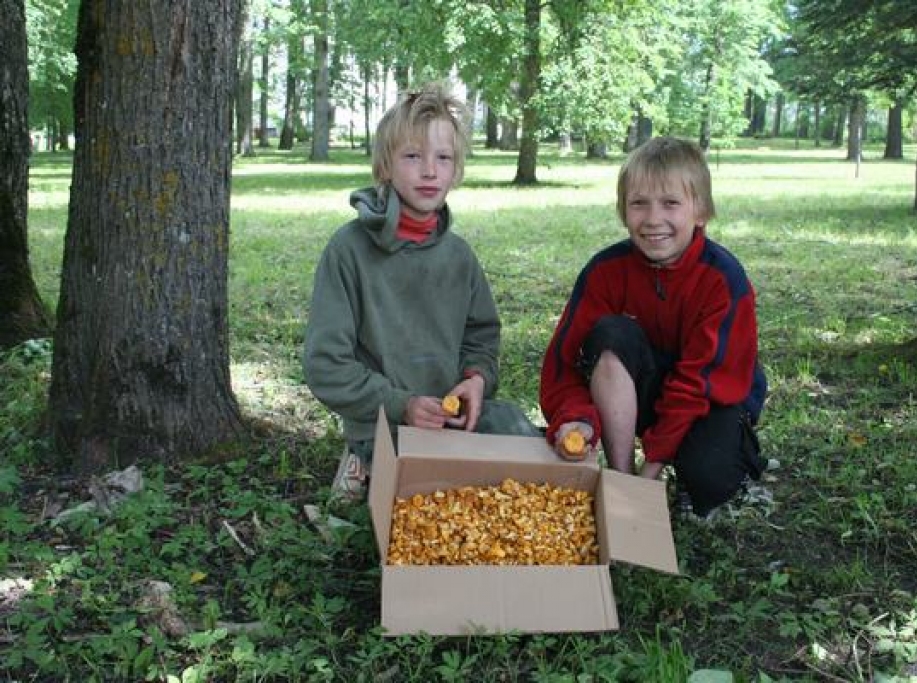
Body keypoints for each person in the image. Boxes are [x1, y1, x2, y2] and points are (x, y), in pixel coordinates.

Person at [303, 82, 537, 501]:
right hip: (385, 422)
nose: (430, 171)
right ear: (385, 166)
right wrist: (400, 404)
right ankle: (363, 464)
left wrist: (476, 380)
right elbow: (325, 366)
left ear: (455, 169)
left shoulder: (459, 257)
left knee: (521, 439)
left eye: (443, 158)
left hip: (451, 421)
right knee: (423, 507)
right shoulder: (348, 251)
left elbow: (481, 337)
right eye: (413, 156)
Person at [539, 136, 767, 518]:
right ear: (623, 210)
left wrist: (654, 468)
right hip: (637, 389)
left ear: (700, 211)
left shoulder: (723, 280)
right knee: (612, 332)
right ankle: (620, 478)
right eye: (639, 203)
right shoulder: (605, 271)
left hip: (708, 399)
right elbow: (563, 363)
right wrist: (575, 420)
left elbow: (699, 383)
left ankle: (706, 462)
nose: (653, 219)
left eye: (671, 203)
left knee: (709, 480)